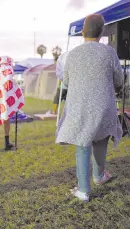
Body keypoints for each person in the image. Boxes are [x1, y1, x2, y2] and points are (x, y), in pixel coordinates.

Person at [56, 14, 123, 202]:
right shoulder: (109, 52)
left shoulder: (73, 54)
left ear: (83, 32)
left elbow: (67, 80)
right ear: (102, 32)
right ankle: (99, 176)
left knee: (83, 144)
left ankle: (84, 191)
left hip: (80, 106)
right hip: (104, 106)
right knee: (101, 140)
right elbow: (119, 80)